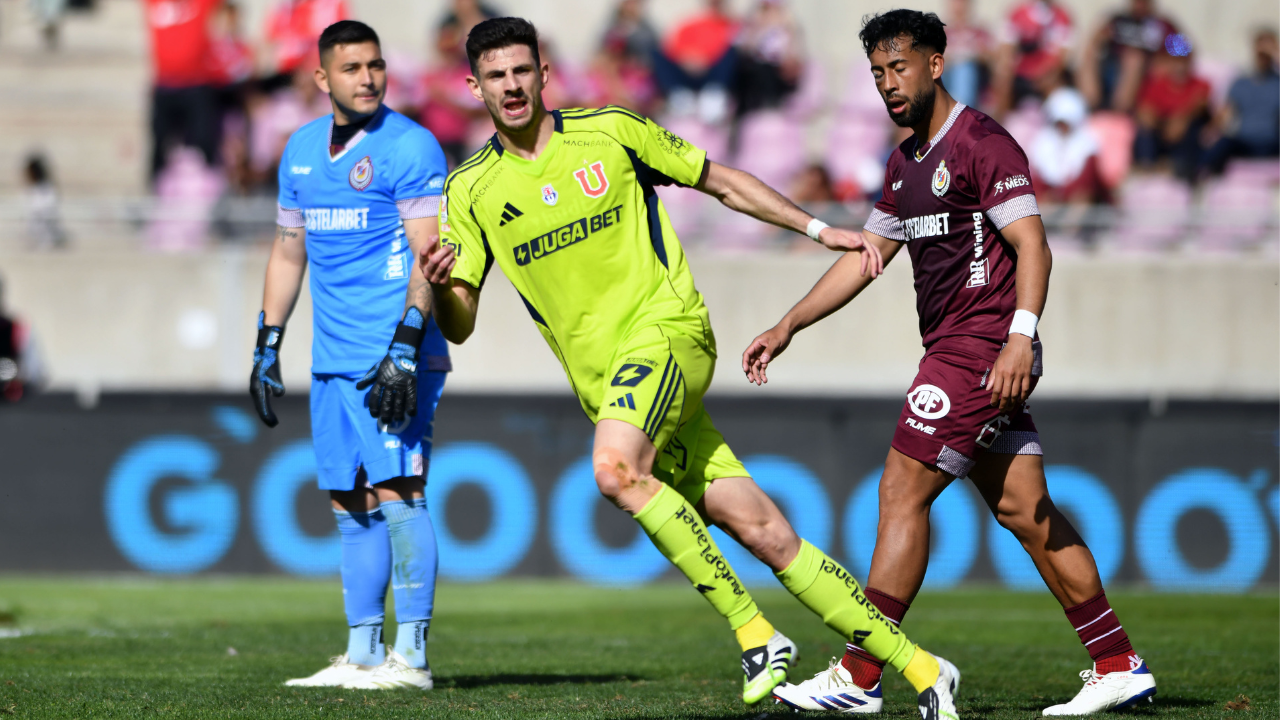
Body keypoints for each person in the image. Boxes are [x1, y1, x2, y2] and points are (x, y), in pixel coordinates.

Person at [421, 16, 961, 718]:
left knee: (615, 470)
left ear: (544, 72)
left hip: (668, 333)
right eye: (496, 76)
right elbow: (459, 321)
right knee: (766, 532)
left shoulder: (610, 130)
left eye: (522, 70)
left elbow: (720, 182)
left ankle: (755, 633)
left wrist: (817, 228)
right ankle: (922, 667)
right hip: (612, 385)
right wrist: (438, 286)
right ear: (475, 87)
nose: (512, 86)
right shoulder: (471, 190)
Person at [745, 11, 1156, 717]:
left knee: (902, 492)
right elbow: (866, 260)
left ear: (936, 63)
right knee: (1027, 512)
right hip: (964, 352)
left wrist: (1021, 337)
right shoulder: (905, 162)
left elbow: (1034, 246)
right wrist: (789, 324)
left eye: (898, 67)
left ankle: (861, 674)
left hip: (982, 348)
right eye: (877, 73)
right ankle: (1118, 663)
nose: (887, 84)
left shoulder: (983, 143)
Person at [250, 20, 451, 691]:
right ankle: (363, 653)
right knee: (348, 500)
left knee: (399, 492)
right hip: (332, 358)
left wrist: (406, 343)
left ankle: (412, 658)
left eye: (376, 65)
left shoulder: (410, 146)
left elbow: (431, 257)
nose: (368, 78)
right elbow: (287, 251)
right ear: (321, 79)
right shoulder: (301, 151)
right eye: (352, 68)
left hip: (394, 352)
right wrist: (267, 341)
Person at [145, 0, 224, 184]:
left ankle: (211, 194)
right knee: (159, 144)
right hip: (164, 85)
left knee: (204, 142)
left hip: (197, 84)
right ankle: (155, 194)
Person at [1133, 34, 1209, 181]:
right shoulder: (1157, 84)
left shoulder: (1200, 84)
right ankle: (1146, 167)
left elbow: (1200, 104)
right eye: (1175, 60)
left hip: (1184, 135)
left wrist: (1182, 118)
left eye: (1183, 60)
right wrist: (1154, 120)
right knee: (1143, 130)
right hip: (1161, 131)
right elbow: (1145, 109)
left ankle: (1179, 169)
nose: (1179, 65)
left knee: (1194, 129)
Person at [1080, 0, 1179, 113]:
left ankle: (1119, 111)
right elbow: (1095, 40)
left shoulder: (1162, 26)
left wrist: (1162, 63)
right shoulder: (1118, 20)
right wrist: (1098, 39)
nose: (1139, 4)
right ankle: (1090, 105)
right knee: (1089, 54)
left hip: (1144, 76)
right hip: (1111, 68)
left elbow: (1184, 54)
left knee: (1133, 58)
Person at [1204, 29, 1280, 173]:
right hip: (1245, 141)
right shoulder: (1241, 82)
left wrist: (1276, 55)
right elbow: (1226, 112)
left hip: (1272, 141)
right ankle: (1202, 177)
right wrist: (1211, 129)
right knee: (1222, 145)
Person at [652, 0, 739, 123]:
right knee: (657, 52)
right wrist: (688, 58)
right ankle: (680, 95)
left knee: (732, 50)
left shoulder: (731, 26)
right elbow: (673, 47)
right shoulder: (691, 24)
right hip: (685, 71)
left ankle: (713, 95)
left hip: (714, 73)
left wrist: (706, 58)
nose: (716, 6)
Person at [991, 0, 1073, 117]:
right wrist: (1005, 71)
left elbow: (1061, 58)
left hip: (1047, 74)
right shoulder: (1017, 14)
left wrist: (1044, 76)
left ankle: (1051, 124)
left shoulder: (1062, 16)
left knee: (1056, 83)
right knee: (1002, 80)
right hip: (1020, 73)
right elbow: (1006, 51)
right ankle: (997, 126)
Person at [1029, 87, 1108, 204]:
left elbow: (1087, 182)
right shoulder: (1043, 141)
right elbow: (1038, 180)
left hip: (1076, 202)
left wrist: (1064, 194)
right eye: (1058, 123)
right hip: (1049, 201)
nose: (1062, 127)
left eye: (1066, 122)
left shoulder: (1087, 143)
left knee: (1081, 202)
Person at [939, 0, 992, 110]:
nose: (959, 7)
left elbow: (989, 57)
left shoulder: (979, 32)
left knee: (964, 69)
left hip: (974, 76)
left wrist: (971, 55)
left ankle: (961, 112)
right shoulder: (940, 32)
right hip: (946, 75)